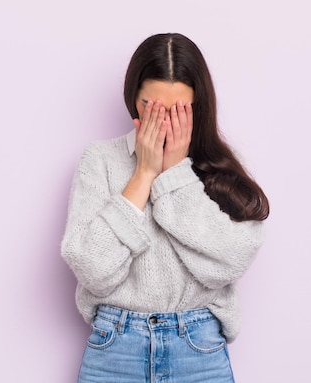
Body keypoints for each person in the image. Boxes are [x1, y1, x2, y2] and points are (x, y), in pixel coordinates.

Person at [61, 33, 269, 382]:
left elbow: (231, 261)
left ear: (197, 106)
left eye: (176, 111)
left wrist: (173, 172)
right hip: (115, 348)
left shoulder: (221, 167)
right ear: (133, 99)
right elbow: (92, 269)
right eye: (150, 107)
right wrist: (144, 174)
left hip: (198, 347)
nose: (162, 122)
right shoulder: (99, 161)